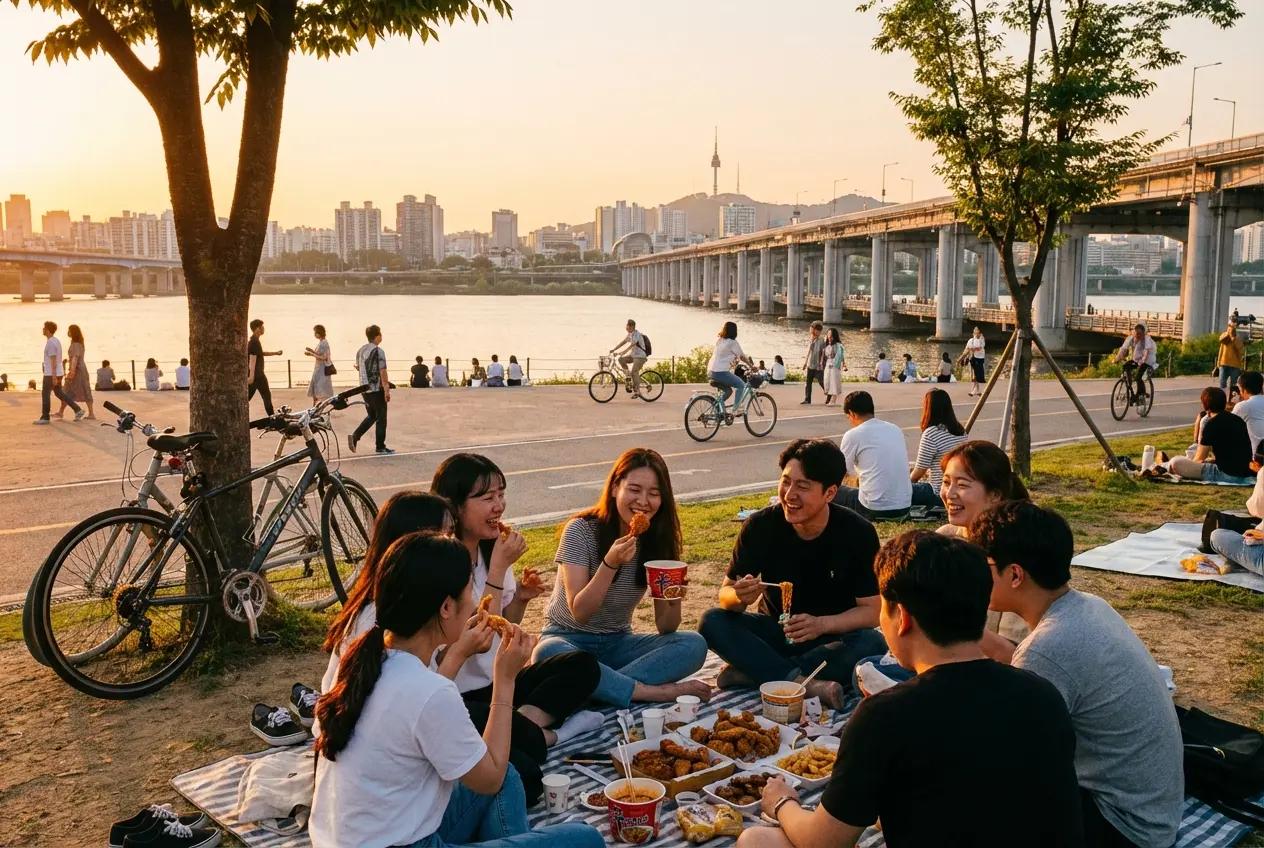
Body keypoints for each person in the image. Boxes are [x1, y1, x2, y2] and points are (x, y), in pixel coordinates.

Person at [740, 531, 1082, 848]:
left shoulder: (886, 715)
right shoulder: (1042, 693)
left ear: (901, 617)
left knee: (756, 840)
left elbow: (824, 841)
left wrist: (782, 801)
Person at [310, 531, 603, 848]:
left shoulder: (367, 663)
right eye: (469, 593)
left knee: (510, 775)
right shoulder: (428, 689)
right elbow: (488, 778)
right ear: (447, 607)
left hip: (350, 838)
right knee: (585, 839)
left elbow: (491, 772)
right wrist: (504, 680)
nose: (476, 604)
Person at [972, 502, 1184, 847]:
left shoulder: (1048, 646)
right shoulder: (1088, 605)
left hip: (1124, 827)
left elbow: (1006, 752)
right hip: (1155, 812)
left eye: (983, 566)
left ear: (1014, 575)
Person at [700, 439, 886, 709]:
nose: (789, 494)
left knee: (872, 643)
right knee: (711, 621)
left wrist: (821, 624)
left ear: (830, 493)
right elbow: (726, 595)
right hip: (775, 632)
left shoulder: (857, 532)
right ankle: (803, 683)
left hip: (829, 639)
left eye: (803, 486)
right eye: (786, 481)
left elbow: (872, 611)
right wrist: (739, 596)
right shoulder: (760, 526)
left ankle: (757, 673)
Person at [533, 448, 711, 707]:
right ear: (616, 487)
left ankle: (593, 691)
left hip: (618, 645)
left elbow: (666, 627)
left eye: (654, 493)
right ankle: (648, 692)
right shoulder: (580, 531)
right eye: (635, 489)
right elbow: (580, 612)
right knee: (546, 653)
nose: (643, 501)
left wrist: (674, 597)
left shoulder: (656, 541)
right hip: (568, 639)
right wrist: (610, 563)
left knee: (693, 644)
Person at [832, 391, 912, 520]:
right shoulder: (895, 429)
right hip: (904, 507)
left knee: (829, 491)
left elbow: (842, 470)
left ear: (851, 413)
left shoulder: (853, 435)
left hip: (873, 509)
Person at [937, 440, 1029, 539]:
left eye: (962, 485)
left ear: (994, 495)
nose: (949, 494)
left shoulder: (1015, 546)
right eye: (946, 482)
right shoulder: (943, 538)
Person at [1170, 387, 1255, 484]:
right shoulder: (1238, 420)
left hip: (1226, 475)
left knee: (1176, 462)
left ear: (1205, 405)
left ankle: (1166, 466)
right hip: (1245, 472)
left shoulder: (1211, 425)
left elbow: (1199, 459)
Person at [910, 389, 965, 508]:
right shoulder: (960, 430)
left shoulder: (931, 433)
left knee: (898, 490)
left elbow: (919, 471)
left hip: (938, 494)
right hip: (957, 492)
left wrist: (907, 484)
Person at [349, 324, 393, 455]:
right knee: (381, 417)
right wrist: (386, 389)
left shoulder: (361, 350)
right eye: (380, 334)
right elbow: (383, 371)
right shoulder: (379, 351)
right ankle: (380, 446)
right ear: (377, 336)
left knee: (372, 415)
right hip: (376, 388)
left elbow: (358, 367)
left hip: (364, 388)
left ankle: (355, 436)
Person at [35, 321, 82, 424]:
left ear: (47, 330)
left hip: (51, 373)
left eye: (44, 328)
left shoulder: (51, 343)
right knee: (59, 393)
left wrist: (53, 376)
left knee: (45, 394)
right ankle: (78, 410)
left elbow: (53, 360)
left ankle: (45, 417)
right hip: (58, 372)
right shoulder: (56, 341)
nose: (42, 330)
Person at [708, 321, 753, 417]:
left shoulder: (720, 340)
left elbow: (725, 355)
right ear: (734, 331)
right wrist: (751, 366)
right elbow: (742, 356)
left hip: (711, 371)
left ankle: (719, 408)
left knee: (728, 391)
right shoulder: (732, 342)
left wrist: (733, 362)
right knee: (741, 385)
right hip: (720, 372)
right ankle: (736, 410)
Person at [247, 318, 281, 415]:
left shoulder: (254, 341)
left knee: (247, 398)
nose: (263, 329)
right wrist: (251, 377)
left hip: (255, 375)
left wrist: (275, 353)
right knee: (266, 396)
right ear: (257, 329)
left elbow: (260, 354)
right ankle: (272, 418)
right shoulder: (254, 342)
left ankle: (272, 417)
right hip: (258, 376)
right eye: (262, 327)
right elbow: (252, 358)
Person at [60, 324, 94, 420]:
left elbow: (75, 358)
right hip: (80, 369)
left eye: (69, 330)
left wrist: (72, 371)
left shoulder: (75, 344)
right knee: (79, 390)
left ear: (73, 332)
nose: (68, 332)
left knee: (68, 391)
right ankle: (61, 411)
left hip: (78, 371)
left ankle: (88, 413)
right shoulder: (79, 343)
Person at [1114, 323, 1156, 401]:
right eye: (1136, 333)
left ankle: (1141, 394)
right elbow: (1123, 349)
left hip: (1148, 360)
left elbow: (1146, 352)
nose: (1138, 335)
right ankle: (1129, 388)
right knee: (1126, 366)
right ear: (1134, 332)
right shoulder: (1131, 338)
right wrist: (1117, 359)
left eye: (1140, 334)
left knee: (1138, 377)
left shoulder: (1147, 339)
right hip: (1137, 359)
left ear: (1144, 333)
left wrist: (1142, 361)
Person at [610, 318, 648, 395]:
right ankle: (628, 377)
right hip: (633, 355)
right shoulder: (630, 334)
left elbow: (631, 345)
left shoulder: (637, 334)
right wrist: (614, 349)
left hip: (640, 356)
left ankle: (638, 391)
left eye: (627, 327)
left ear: (632, 327)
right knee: (621, 359)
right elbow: (623, 342)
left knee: (634, 371)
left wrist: (623, 352)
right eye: (626, 326)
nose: (626, 328)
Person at [1232, 370, 1264, 453]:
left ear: (1244, 390)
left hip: (1257, 457)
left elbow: (1227, 425)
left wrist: (1236, 404)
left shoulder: (1243, 406)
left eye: (1239, 389)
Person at [801, 320, 826, 405]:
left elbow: (823, 353)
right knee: (808, 383)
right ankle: (807, 399)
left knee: (821, 381)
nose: (812, 331)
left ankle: (829, 393)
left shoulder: (822, 340)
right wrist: (805, 363)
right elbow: (808, 352)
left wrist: (821, 363)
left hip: (818, 365)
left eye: (817, 330)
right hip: (810, 364)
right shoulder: (810, 339)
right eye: (813, 329)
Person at [305, 325, 333, 401]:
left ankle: (316, 407)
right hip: (319, 368)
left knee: (319, 389)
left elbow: (324, 357)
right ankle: (315, 407)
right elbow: (319, 354)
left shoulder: (323, 343)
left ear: (319, 333)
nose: (314, 334)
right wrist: (312, 351)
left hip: (321, 369)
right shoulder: (322, 342)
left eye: (315, 332)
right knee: (316, 388)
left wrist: (311, 354)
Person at [1218, 318, 1246, 393]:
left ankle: (1231, 398)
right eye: (1229, 328)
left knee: (1233, 384)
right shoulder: (1225, 337)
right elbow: (1221, 340)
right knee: (1222, 382)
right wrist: (1218, 362)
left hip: (1235, 365)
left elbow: (1241, 350)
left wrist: (1234, 339)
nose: (1231, 330)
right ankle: (1221, 397)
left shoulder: (1237, 339)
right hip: (1224, 363)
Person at [822, 328, 845, 405]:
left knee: (834, 381)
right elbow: (824, 356)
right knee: (827, 380)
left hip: (835, 364)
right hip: (828, 364)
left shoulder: (838, 345)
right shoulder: (826, 344)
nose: (829, 336)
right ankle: (830, 397)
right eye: (828, 334)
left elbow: (841, 356)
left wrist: (844, 365)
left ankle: (833, 400)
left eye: (830, 335)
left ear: (834, 336)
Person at [963, 326, 986, 396]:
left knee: (977, 375)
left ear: (979, 331)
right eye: (975, 329)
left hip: (980, 359)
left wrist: (973, 349)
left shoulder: (982, 339)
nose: (975, 331)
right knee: (975, 375)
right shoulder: (971, 340)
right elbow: (966, 349)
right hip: (972, 359)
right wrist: (963, 358)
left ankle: (974, 390)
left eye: (977, 329)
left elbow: (980, 348)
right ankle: (977, 390)